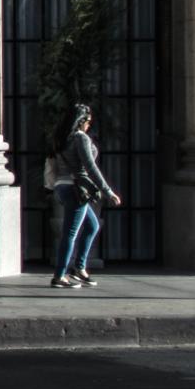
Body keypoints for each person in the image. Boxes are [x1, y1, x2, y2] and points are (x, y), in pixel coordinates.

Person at [50, 103, 120, 289]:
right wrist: (108, 191)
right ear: (81, 121)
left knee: (92, 225)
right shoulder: (80, 138)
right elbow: (90, 167)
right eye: (88, 121)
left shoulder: (62, 138)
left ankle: (79, 268)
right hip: (76, 189)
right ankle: (60, 275)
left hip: (62, 187)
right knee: (70, 234)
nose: (90, 124)